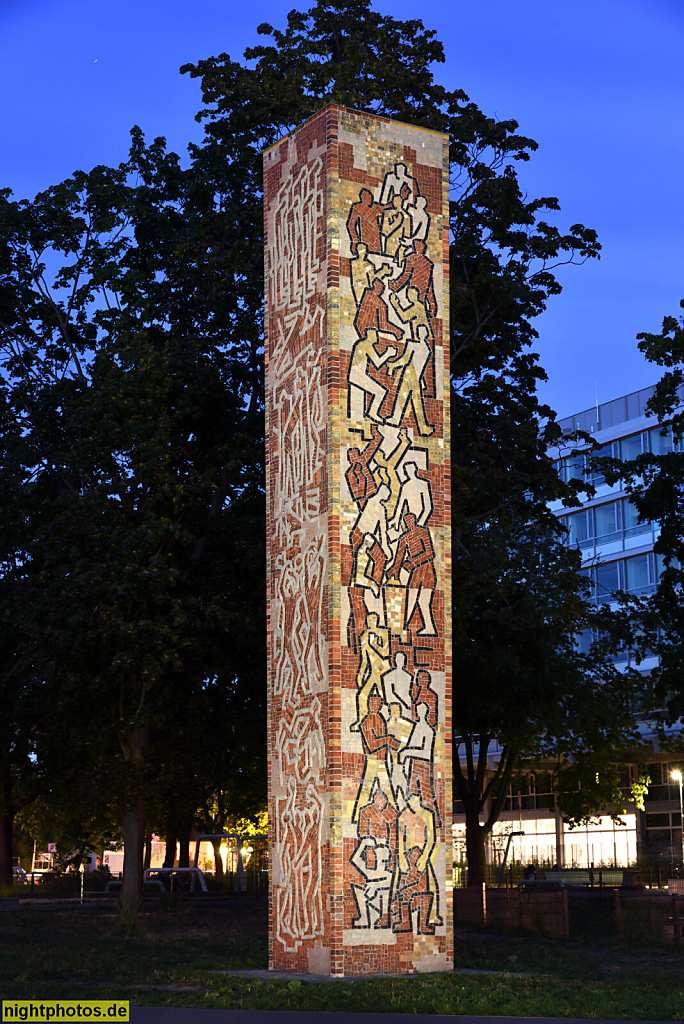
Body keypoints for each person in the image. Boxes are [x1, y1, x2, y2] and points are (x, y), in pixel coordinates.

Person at [386, 512, 437, 636]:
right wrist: (393, 569)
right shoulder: (405, 537)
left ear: (414, 520)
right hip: (416, 572)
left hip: (427, 569)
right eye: (407, 521)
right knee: (411, 597)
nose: (409, 523)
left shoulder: (423, 531)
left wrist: (413, 562)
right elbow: (399, 557)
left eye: (411, 520)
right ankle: (404, 627)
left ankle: (429, 628)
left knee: (423, 602)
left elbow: (430, 553)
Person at [352, 688, 398, 820]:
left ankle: (395, 816)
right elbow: (372, 746)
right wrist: (388, 740)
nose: (376, 705)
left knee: (387, 790)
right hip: (373, 760)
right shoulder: (367, 721)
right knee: (366, 790)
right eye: (373, 703)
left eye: (378, 703)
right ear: (369, 704)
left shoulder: (379, 718)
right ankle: (357, 817)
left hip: (381, 760)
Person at [385, 325, 434, 437]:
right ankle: (423, 428)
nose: (419, 333)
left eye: (420, 331)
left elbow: (405, 359)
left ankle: (395, 419)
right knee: (416, 403)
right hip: (417, 378)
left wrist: (393, 364)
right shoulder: (427, 348)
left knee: (403, 399)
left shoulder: (413, 344)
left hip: (409, 376)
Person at [352, 615, 392, 731]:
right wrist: (360, 673)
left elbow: (385, 654)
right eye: (369, 620)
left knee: (384, 696)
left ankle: (389, 723)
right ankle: (361, 722)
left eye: (373, 619)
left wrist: (373, 643)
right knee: (362, 695)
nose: (371, 622)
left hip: (383, 669)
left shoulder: (384, 633)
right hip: (373, 671)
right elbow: (364, 659)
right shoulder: (364, 636)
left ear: (377, 620)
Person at [347, 329, 396, 423]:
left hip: (355, 374)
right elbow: (377, 363)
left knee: (356, 408)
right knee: (380, 392)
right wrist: (388, 353)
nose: (376, 337)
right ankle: (372, 413)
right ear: (370, 336)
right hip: (357, 375)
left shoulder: (362, 344)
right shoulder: (366, 344)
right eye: (375, 335)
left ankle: (361, 423)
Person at [389, 239, 437, 317]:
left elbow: (406, 275)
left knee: (411, 315)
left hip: (413, 291)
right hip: (422, 295)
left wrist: (395, 286)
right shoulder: (429, 263)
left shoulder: (412, 258)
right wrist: (432, 305)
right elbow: (430, 286)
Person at [354, 278, 404, 342]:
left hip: (360, 327)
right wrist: (396, 331)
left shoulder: (367, 293)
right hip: (367, 332)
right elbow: (382, 325)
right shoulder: (380, 304)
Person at [346, 424, 383, 509]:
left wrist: (376, 435)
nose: (355, 457)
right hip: (366, 498)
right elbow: (357, 493)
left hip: (372, 494)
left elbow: (373, 447)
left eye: (356, 454)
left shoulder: (362, 460)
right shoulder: (350, 472)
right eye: (352, 456)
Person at [391, 461, 433, 530]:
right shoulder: (405, 486)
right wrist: (396, 522)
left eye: (410, 470)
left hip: (421, 519)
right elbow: (400, 506)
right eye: (407, 470)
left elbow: (428, 507)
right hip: (410, 520)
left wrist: (420, 523)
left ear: (415, 470)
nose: (408, 472)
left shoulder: (423, 484)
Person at [346, 188, 389, 255]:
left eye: (371, 197)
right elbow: (351, 224)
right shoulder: (357, 207)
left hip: (376, 238)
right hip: (365, 238)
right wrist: (355, 240)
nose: (370, 200)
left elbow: (385, 208)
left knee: (377, 256)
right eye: (368, 197)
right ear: (363, 198)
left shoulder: (374, 207)